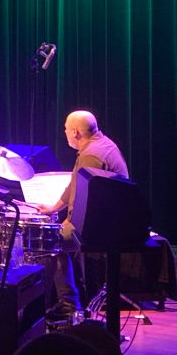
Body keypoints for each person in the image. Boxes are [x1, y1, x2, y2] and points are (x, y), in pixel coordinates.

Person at [38, 110, 128, 319]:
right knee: (57, 236)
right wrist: (54, 208)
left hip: (105, 224)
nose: (64, 132)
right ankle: (68, 300)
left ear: (75, 132)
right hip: (108, 217)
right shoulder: (100, 144)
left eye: (66, 129)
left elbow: (86, 201)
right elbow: (75, 184)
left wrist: (68, 222)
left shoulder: (91, 155)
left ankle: (64, 304)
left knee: (50, 242)